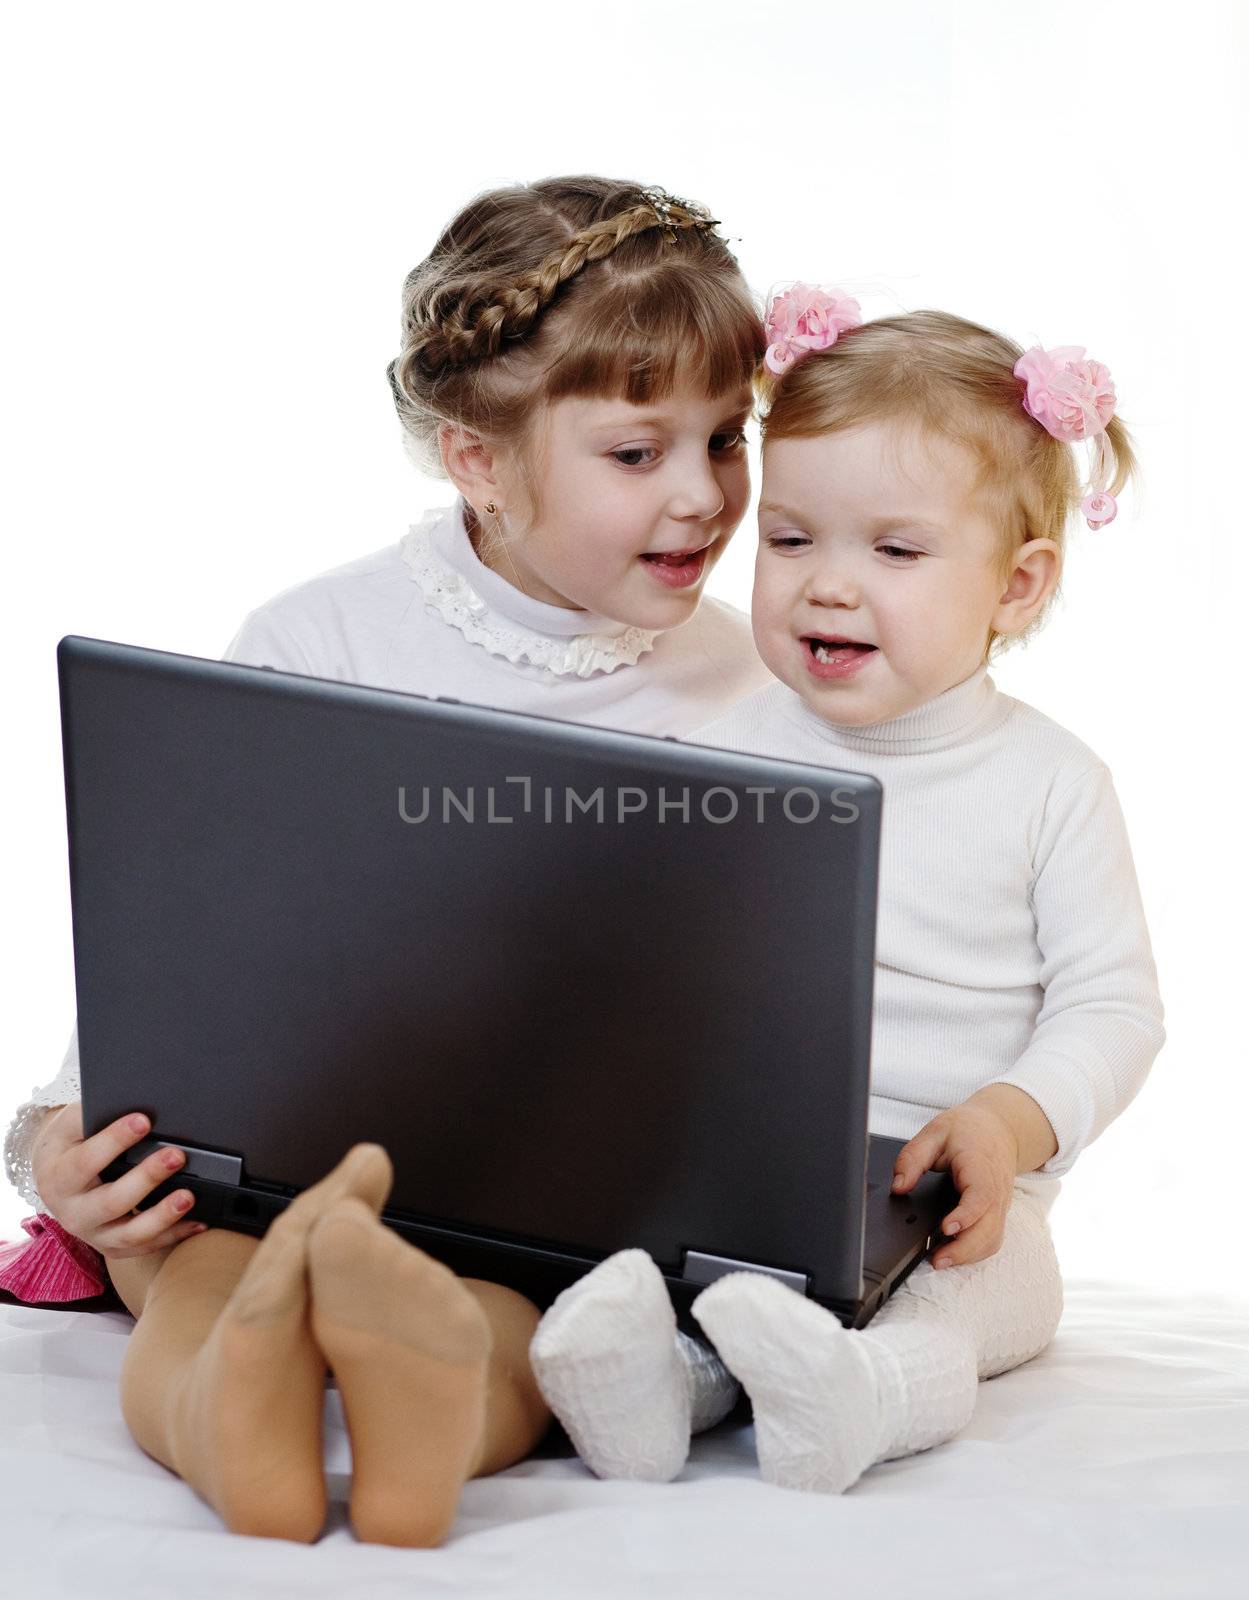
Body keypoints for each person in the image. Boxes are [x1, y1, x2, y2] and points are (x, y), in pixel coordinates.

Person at [0, 174, 772, 1544]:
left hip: (570, 1209)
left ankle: (431, 1402)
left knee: (542, 1333)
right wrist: (65, 1132)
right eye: (637, 453)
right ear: (478, 455)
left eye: (728, 437)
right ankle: (226, 1406)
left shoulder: (749, 679)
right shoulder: (322, 640)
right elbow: (190, 930)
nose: (706, 496)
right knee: (197, 1270)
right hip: (293, 1161)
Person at [528, 288, 1167, 1494]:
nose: (827, 584)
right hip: (753, 1172)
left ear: (1017, 586)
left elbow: (1115, 1010)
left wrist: (1003, 1120)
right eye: (791, 538)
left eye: (894, 549)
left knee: (982, 1299)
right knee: (697, 1281)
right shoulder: (721, 747)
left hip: (953, 1204)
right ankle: (657, 1383)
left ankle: (862, 1395)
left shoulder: (1050, 785)